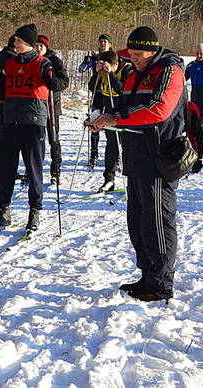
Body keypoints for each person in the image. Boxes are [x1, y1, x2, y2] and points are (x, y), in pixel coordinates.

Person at [89, 26, 185, 303]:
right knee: (139, 222)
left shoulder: (169, 70)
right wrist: (103, 117)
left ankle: (160, 285)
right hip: (135, 157)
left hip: (159, 158)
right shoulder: (133, 73)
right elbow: (125, 106)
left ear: (153, 50)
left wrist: (116, 119)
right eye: (131, 54)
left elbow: (159, 109)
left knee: (158, 222)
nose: (135, 59)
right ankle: (147, 276)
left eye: (139, 54)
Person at [0, 23, 62, 234]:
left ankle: (35, 211)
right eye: (15, 40)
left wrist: (52, 80)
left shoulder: (43, 63)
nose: (15, 43)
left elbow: (58, 85)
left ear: (29, 44)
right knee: (5, 169)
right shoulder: (9, 63)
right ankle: (4, 210)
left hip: (33, 122)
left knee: (34, 169)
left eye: (19, 41)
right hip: (10, 121)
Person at [93, 50, 135, 192]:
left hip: (124, 110)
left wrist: (110, 74)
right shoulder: (101, 72)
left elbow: (124, 90)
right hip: (109, 108)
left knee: (127, 146)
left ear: (116, 64)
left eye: (109, 66)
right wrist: (96, 73)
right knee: (112, 145)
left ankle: (132, 182)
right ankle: (109, 179)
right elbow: (92, 87)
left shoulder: (128, 69)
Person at [34, 35, 70, 185]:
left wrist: (55, 83)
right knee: (34, 140)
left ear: (46, 47)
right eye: (36, 46)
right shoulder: (31, 60)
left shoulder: (55, 61)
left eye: (41, 46)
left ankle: (56, 170)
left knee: (53, 139)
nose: (38, 49)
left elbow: (65, 81)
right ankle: (32, 171)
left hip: (52, 104)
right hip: (36, 105)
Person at [78, 34, 115, 167]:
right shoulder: (94, 58)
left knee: (112, 124)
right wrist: (86, 62)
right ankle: (94, 153)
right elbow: (80, 70)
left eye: (105, 42)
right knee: (94, 122)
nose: (103, 44)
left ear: (110, 44)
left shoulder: (113, 57)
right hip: (97, 94)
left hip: (110, 93)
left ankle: (115, 155)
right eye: (101, 42)